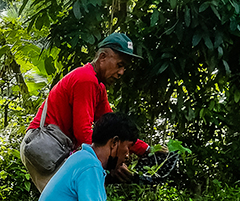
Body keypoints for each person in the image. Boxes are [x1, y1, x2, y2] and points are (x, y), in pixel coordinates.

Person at [21, 32, 151, 191]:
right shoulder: (86, 79)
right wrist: (112, 164)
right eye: (119, 64)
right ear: (102, 57)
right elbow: (83, 132)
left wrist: (145, 150)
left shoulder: (98, 85)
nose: (121, 72)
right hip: (46, 145)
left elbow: (113, 127)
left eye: (124, 67)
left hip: (56, 147)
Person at [31, 112, 156, 201]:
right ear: (114, 143)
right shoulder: (90, 165)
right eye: (127, 148)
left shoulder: (86, 159)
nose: (127, 155)